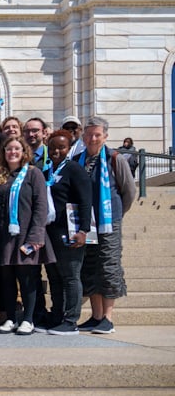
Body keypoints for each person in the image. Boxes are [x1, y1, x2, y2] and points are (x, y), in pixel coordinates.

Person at [73, 117, 135, 335]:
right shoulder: (78, 160)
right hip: (86, 223)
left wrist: (114, 214)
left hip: (109, 221)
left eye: (97, 134)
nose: (92, 138)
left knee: (108, 267)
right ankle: (96, 316)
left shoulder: (115, 158)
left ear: (105, 136)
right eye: (89, 134)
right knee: (90, 268)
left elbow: (128, 192)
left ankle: (108, 318)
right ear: (83, 136)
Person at [0, 137, 51, 335]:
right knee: (6, 279)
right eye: (8, 149)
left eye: (17, 149)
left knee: (27, 278)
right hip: (4, 235)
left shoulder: (33, 173)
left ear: (24, 151)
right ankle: (10, 317)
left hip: (26, 234)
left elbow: (41, 206)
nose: (12, 152)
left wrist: (36, 236)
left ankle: (28, 319)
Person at [43, 130, 92, 335]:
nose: (56, 151)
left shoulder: (74, 169)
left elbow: (85, 200)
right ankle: (57, 315)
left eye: (61, 147)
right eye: (53, 147)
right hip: (50, 231)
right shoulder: (47, 171)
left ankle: (71, 319)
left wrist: (83, 230)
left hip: (70, 231)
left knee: (71, 275)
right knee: (54, 276)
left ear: (69, 148)